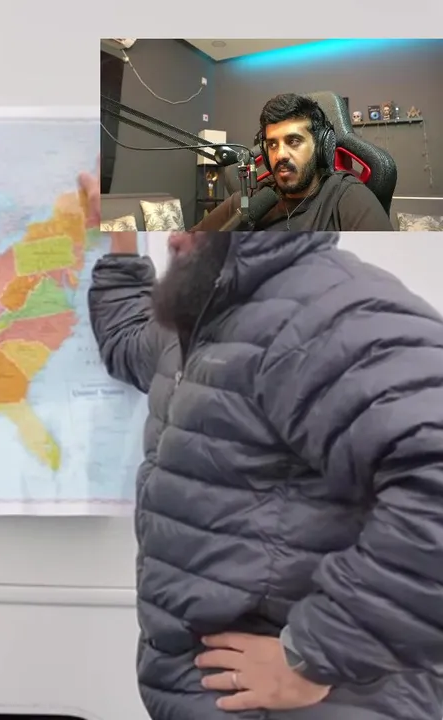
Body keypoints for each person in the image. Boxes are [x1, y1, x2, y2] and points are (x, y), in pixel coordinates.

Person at [88, 228, 443, 719]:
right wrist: (122, 241)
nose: (172, 234)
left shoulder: (330, 313)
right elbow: (128, 343)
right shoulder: (208, 315)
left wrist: (313, 656)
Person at [193, 93, 392, 231]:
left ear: (321, 146)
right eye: (272, 144)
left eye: (293, 141)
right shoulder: (250, 200)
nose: (280, 155)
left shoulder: (347, 198)